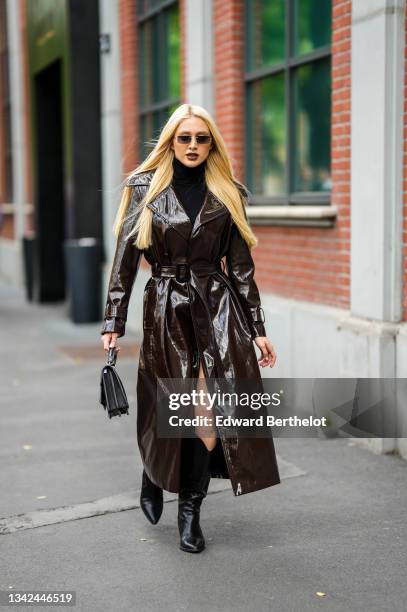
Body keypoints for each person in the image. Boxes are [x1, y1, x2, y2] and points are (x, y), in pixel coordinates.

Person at [101, 103, 280, 554]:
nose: (194, 146)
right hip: (164, 305)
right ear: (171, 141)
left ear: (212, 144)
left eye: (202, 138)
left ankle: (190, 511)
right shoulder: (143, 188)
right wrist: (113, 322)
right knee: (168, 406)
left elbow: (241, 268)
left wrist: (257, 327)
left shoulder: (229, 192)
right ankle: (153, 468)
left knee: (206, 412)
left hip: (218, 307)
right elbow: (124, 259)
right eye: (185, 138)